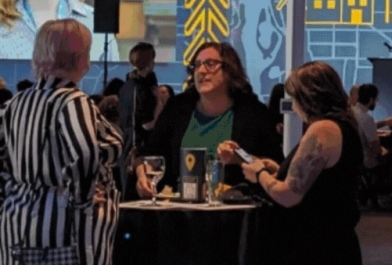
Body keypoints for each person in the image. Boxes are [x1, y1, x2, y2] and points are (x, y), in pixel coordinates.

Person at [0, 19, 122, 265]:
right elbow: (85, 155)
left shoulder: (15, 104)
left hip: (17, 225)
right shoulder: (73, 102)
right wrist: (83, 198)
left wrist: (12, 195)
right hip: (67, 232)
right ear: (81, 60)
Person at [219, 61, 364, 265]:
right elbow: (320, 185)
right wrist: (274, 170)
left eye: (294, 98)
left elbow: (289, 195)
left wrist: (260, 174)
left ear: (307, 97)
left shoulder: (322, 130)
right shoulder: (343, 126)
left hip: (316, 248)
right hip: (333, 244)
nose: (294, 107)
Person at [136, 41, 282, 196]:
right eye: (197, 65)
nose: (201, 71)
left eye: (210, 64)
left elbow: (274, 168)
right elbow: (149, 155)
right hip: (180, 206)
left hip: (235, 207)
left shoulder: (253, 113)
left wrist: (240, 156)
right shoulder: (177, 108)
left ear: (229, 70)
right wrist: (142, 173)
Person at [117, 42, 160, 196]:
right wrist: (160, 104)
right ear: (150, 62)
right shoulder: (146, 89)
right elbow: (148, 124)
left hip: (126, 148)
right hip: (140, 152)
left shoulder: (125, 87)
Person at [352, 83, 382, 169]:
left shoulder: (351, 113)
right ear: (371, 100)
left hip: (353, 161)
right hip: (366, 163)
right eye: (376, 99)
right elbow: (376, 148)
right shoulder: (367, 119)